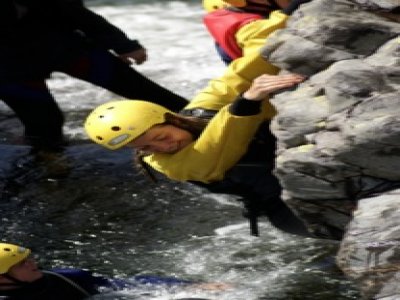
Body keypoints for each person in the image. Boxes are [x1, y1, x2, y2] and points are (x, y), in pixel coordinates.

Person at [84, 73, 311, 237]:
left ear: (171, 119)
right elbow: (216, 146)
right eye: (147, 148)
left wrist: (286, 13)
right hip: (288, 208)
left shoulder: (200, 112)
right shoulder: (173, 166)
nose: (163, 148)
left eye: (161, 137)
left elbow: (239, 72)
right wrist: (247, 101)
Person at [0, 0, 188, 151]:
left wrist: (124, 45)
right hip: (10, 69)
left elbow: (71, 10)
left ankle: (205, 126)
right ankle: (50, 166)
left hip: (65, 47)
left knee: (151, 94)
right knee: (45, 123)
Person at [0, 243, 227, 300]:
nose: (33, 264)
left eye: (29, 258)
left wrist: (190, 286)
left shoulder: (66, 279)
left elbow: (133, 285)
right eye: (21, 264)